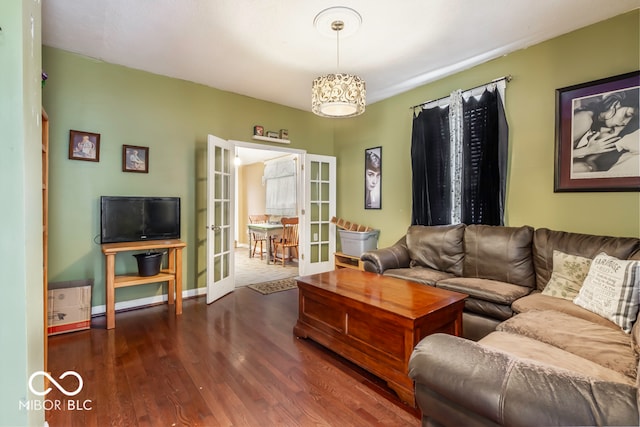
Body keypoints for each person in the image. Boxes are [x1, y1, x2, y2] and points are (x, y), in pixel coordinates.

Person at [572, 89, 639, 174]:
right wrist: (588, 150)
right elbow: (555, 155)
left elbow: (591, 162)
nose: (625, 122)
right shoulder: (585, 119)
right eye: (627, 115)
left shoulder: (598, 127)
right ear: (616, 104)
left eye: (630, 119)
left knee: (585, 168)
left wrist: (614, 134)